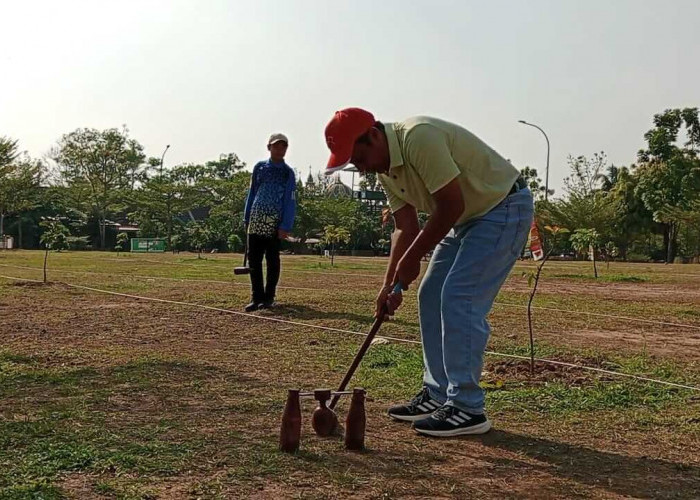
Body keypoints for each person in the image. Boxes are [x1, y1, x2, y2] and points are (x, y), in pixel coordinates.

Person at [324, 108, 533, 437]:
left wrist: (414, 259)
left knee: (458, 297)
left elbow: (451, 205)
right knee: (430, 293)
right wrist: (388, 285)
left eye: (358, 156)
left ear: (375, 136)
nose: (360, 168)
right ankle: (437, 394)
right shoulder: (385, 171)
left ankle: (467, 407)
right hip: (464, 219)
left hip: (501, 207)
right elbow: (405, 229)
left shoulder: (418, 137)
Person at [243, 133, 296, 312]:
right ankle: (256, 297)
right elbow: (253, 191)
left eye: (283, 146)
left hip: (274, 221)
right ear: (269, 147)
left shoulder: (287, 173)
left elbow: (290, 200)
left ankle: (269, 297)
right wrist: (247, 215)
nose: (280, 149)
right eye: (276, 146)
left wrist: (285, 225)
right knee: (254, 260)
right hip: (256, 218)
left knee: (272, 260)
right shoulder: (259, 168)